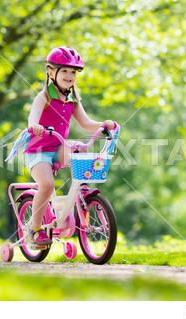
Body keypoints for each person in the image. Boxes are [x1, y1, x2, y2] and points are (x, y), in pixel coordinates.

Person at [24, 46, 115, 245]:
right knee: (47, 185)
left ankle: (81, 192)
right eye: (64, 70)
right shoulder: (44, 97)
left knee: (81, 147)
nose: (69, 75)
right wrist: (35, 127)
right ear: (50, 71)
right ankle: (35, 229)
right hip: (37, 151)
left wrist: (103, 125)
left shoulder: (73, 98)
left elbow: (85, 123)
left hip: (57, 149)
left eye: (73, 72)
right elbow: (32, 119)